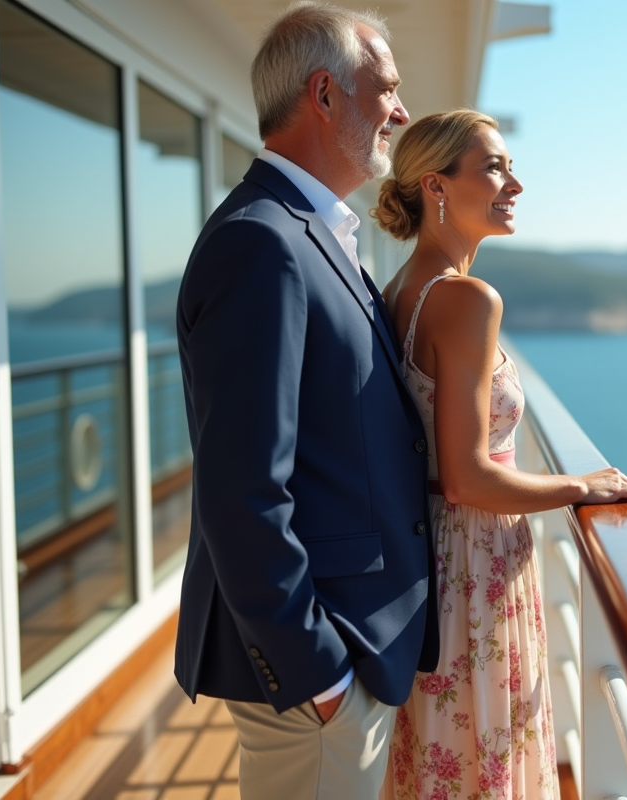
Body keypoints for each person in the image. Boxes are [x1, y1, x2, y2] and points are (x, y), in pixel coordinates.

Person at [173, 4, 438, 798]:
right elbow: (242, 487)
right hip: (320, 670)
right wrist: (317, 673)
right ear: (324, 94)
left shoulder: (312, 232)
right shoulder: (264, 242)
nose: (401, 109)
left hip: (351, 649)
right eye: (385, 88)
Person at [371, 110, 627, 800]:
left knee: (443, 757)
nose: (515, 184)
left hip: (426, 563)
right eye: (494, 167)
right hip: (473, 567)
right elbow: (467, 478)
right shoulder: (466, 300)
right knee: (482, 755)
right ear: (436, 186)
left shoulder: (401, 290)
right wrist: (580, 486)